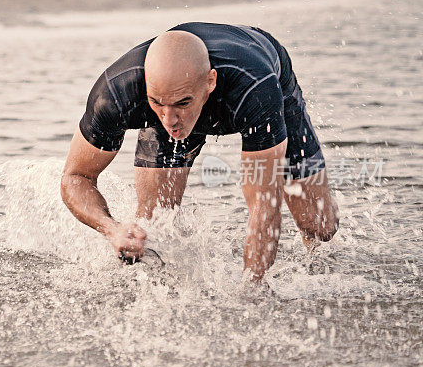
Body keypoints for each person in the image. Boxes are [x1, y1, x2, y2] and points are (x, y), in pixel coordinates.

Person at [60, 22, 338, 282]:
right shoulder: (116, 94)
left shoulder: (255, 90)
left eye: (182, 103)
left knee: (318, 227)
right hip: (179, 83)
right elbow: (75, 177)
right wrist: (112, 229)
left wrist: (253, 288)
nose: (169, 120)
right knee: (155, 224)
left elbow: (264, 203)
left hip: (264, 70)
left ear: (210, 82)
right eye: (157, 103)